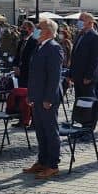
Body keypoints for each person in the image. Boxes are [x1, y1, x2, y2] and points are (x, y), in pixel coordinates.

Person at [23, 18, 64, 180]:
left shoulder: (54, 48)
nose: (36, 30)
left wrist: (49, 98)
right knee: (40, 130)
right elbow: (35, 74)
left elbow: (54, 77)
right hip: (37, 96)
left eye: (39, 28)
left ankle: (53, 165)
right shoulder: (40, 47)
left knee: (50, 130)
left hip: (48, 98)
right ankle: (42, 160)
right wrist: (30, 95)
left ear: (47, 31)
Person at [69, 12, 98, 99]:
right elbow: (75, 55)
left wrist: (88, 76)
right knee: (79, 102)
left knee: (88, 103)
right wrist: (71, 74)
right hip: (78, 76)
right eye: (79, 19)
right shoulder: (80, 35)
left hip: (88, 78)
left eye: (81, 20)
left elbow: (96, 59)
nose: (79, 22)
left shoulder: (96, 37)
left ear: (90, 22)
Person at [13, 21, 37, 88]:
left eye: (24, 28)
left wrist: (21, 69)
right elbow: (17, 55)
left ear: (30, 29)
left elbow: (31, 58)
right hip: (19, 73)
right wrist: (15, 66)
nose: (22, 30)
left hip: (28, 73)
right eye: (22, 27)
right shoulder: (21, 41)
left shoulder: (34, 41)